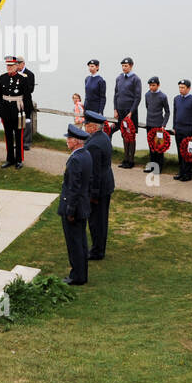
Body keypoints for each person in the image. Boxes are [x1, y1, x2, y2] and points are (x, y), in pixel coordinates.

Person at [58, 123, 94, 285]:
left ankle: (77, 275)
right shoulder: (86, 155)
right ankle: (81, 273)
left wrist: (70, 210)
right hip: (83, 205)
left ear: (78, 141)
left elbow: (73, 188)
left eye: (70, 139)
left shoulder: (75, 160)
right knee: (81, 241)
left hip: (75, 207)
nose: (68, 141)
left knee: (74, 243)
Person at [82, 111, 114, 261]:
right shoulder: (103, 137)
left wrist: (93, 194)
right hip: (106, 185)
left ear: (93, 127)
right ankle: (99, 247)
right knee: (101, 219)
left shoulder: (94, 145)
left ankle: (97, 251)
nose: (85, 127)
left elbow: (94, 173)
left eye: (86, 124)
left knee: (96, 221)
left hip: (99, 189)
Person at [0, 57, 28, 169]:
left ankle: (19, 160)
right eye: (7, 66)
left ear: (16, 66)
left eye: (11, 66)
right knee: (8, 136)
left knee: (19, 137)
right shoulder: (2, 78)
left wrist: (27, 115)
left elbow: (27, 98)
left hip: (18, 110)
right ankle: (10, 159)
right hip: (5, 111)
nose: (9, 67)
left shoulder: (23, 78)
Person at [113, 57, 142, 168]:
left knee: (131, 136)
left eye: (126, 66)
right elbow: (116, 94)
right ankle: (125, 159)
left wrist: (131, 112)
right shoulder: (119, 78)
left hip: (130, 112)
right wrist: (115, 109)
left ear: (131, 66)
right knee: (123, 135)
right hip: (120, 111)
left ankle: (131, 160)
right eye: (123, 66)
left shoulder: (136, 79)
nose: (124, 68)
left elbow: (137, 97)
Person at [171, 80, 192, 181]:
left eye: (183, 88)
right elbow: (175, 113)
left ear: (188, 88)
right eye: (179, 87)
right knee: (180, 152)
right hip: (178, 129)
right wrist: (174, 126)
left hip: (188, 130)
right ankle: (181, 172)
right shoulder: (176, 99)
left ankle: (188, 174)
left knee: (188, 153)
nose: (181, 89)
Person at [143, 76, 171, 173]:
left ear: (158, 85)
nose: (151, 87)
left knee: (159, 147)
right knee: (151, 147)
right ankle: (152, 166)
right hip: (149, 124)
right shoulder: (147, 95)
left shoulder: (163, 96)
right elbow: (147, 106)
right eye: (150, 85)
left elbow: (167, 112)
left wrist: (163, 125)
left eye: (153, 85)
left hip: (159, 126)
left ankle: (158, 168)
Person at [17, 57, 36, 151]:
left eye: (18, 63)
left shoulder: (30, 74)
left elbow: (31, 89)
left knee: (27, 122)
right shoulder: (15, 73)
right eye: (16, 63)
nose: (17, 65)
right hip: (17, 102)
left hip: (26, 102)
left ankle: (27, 143)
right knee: (18, 122)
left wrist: (21, 88)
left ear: (23, 63)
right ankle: (18, 142)